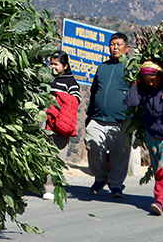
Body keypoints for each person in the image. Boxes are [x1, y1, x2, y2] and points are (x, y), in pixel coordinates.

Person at [124, 61, 163, 214]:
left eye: (152, 79)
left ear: (161, 75)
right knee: (158, 170)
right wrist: (136, 84)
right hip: (152, 134)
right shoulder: (144, 88)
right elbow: (131, 102)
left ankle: (159, 200)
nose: (150, 83)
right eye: (146, 80)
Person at [84, 33, 132, 198]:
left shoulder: (132, 68)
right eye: (112, 44)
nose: (115, 47)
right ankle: (100, 177)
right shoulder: (102, 68)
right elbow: (94, 91)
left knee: (120, 156)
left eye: (119, 44)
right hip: (97, 119)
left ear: (127, 48)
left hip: (121, 122)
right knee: (92, 146)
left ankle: (116, 185)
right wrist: (89, 113)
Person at [43, 50, 81, 200]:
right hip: (45, 123)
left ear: (65, 66)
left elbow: (75, 100)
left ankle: (51, 188)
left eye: (56, 64)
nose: (52, 67)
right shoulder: (47, 79)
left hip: (60, 125)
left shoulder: (71, 82)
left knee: (57, 158)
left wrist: (57, 99)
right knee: (45, 156)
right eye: (51, 63)